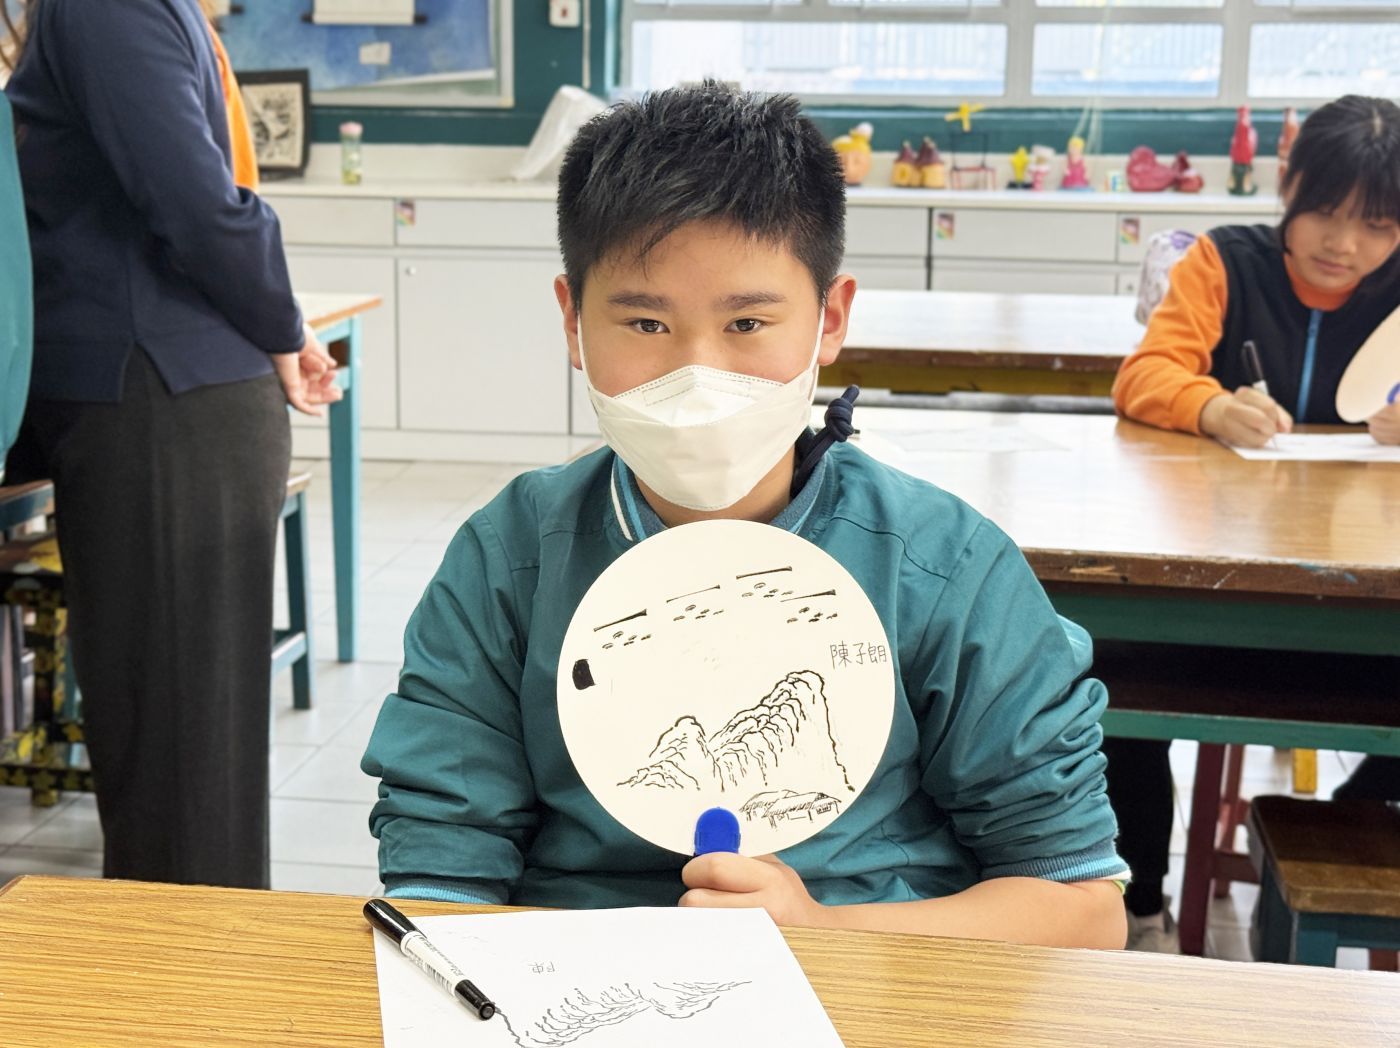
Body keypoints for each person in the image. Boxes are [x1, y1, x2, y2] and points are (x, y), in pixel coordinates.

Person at [361, 82, 1128, 949]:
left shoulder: (942, 567)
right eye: (645, 324)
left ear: (829, 319)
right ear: (573, 321)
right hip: (572, 981)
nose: (698, 376)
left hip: (872, 982)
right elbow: (439, 881)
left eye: (749, 323)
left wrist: (825, 934)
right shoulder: (511, 559)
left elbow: (1082, 907)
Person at [2, 0, 339, 887]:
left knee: (183, 758)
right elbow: (187, 198)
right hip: (156, 391)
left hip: (167, 404)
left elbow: (197, 204)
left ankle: (193, 960)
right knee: (170, 745)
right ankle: (180, 952)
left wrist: (281, 324)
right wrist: (281, 324)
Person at [1109, 95, 1400, 950]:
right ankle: (1140, 903)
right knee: (1109, 682)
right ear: (1288, 186)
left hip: (1367, 601)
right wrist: (1206, 406)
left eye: (1377, 226)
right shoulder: (1225, 262)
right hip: (1218, 586)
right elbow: (1145, 375)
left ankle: (1343, 821)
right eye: (1325, 212)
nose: (1343, 244)